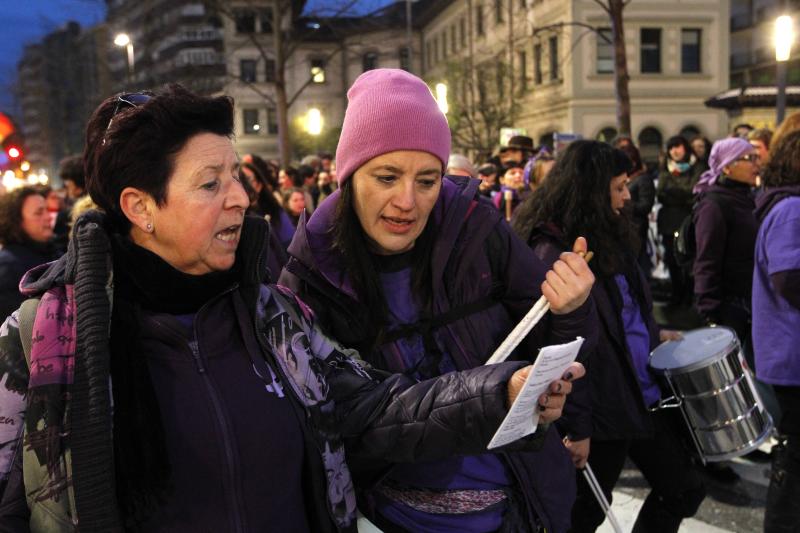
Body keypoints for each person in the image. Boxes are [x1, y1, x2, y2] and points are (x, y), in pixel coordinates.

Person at [0, 85, 578, 532]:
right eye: (210, 184)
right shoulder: (40, 344)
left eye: (236, 175)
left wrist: (499, 393)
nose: (240, 196)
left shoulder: (272, 317)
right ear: (141, 206)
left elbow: (375, 407)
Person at [280, 68, 594, 533]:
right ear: (349, 178)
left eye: (427, 180)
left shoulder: (476, 228)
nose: (407, 201)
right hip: (396, 515)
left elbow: (547, 340)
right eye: (386, 177)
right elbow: (337, 423)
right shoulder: (310, 274)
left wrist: (570, 310)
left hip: (523, 499)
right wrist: (496, 394)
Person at [512, 140, 705, 533]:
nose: (626, 195)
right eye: (618, 187)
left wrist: (655, 335)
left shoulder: (610, 236)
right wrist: (576, 428)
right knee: (581, 514)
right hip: (599, 406)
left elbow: (627, 313)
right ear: (591, 191)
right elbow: (561, 347)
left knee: (683, 487)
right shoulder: (553, 251)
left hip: (638, 394)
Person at [751, 130, 800, 533]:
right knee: (795, 455)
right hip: (792, 356)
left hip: (788, 352)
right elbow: (789, 278)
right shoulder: (791, 209)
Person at [692, 138, 758, 343]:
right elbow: (706, 260)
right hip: (731, 308)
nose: (757, 164)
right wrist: (710, 311)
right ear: (728, 167)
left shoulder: (748, 197)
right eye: (749, 158)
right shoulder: (714, 205)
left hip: (750, 301)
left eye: (756, 157)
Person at [656, 135, 704, 305]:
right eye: (671, 147)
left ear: (686, 148)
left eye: (678, 146)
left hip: (688, 221)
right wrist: (681, 194)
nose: (675, 151)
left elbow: (693, 191)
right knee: (672, 260)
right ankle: (677, 294)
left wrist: (674, 192)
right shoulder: (666, 168)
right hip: (669, 223)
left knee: (689, 260)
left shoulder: (697, 167)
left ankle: (689, 296)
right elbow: (661, 193)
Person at [0, 187, 58, 320]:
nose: (48, 217)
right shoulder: (8, 266)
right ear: (17, 221)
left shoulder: (51, 250)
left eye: (47, 210)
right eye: (39, 213)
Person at [619, 143, 655, 277]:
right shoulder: (623, 178)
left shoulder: (643, 179)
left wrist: (624, 204)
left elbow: (645, 206)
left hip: (636, 227)